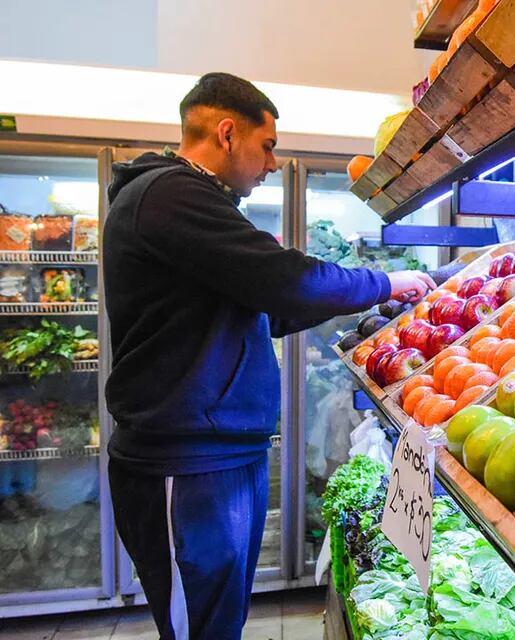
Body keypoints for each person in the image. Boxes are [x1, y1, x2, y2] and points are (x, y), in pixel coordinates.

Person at [102, 72, 434, 639]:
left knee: (219, 618)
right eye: (268, 145)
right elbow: (285, 281)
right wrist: (390, 281)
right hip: (185, 463)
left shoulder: (191, 200)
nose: (273, 163)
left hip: (219, 457)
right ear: (227, 133)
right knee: (198, 625)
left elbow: (269, 309)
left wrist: (365, 309)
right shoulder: (170, 194)